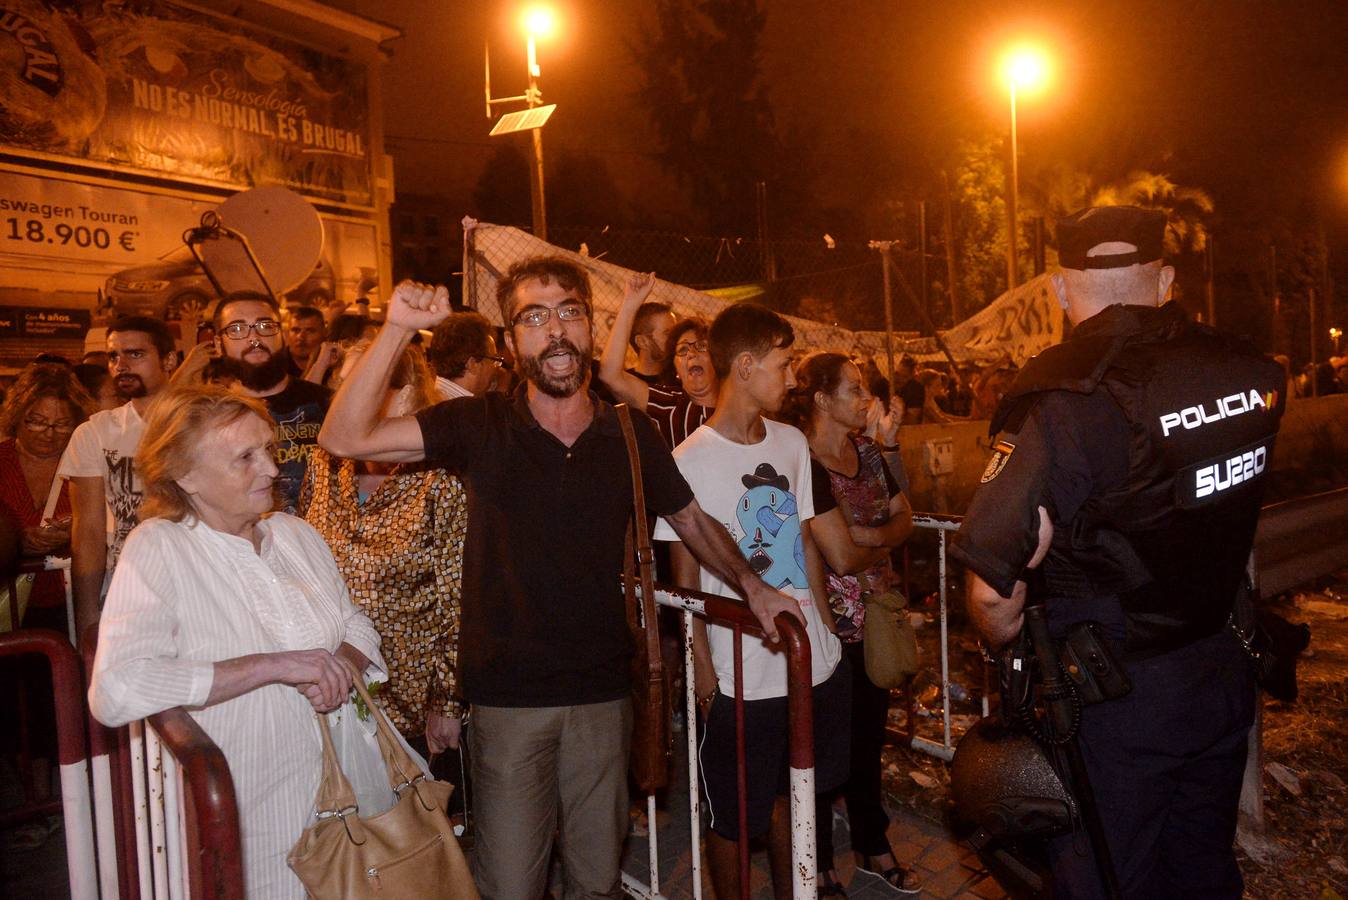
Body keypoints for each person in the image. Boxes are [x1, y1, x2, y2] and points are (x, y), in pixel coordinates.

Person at [319, 257, 802, 900]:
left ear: (591, 327)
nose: (554, 330)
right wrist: (398, 329)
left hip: (604, 696)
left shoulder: (628, 433)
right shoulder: (479, 424)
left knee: (597, 880)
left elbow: (690, 518)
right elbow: (346, 434)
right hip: (507, 700)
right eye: (533, 317)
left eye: (569, 311)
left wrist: (754, 587)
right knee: (511, 883)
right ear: (510, 338)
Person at [949, 206, 1286, 898]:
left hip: (1117, 700)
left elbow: (990, 588)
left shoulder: (1065, 399)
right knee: (1202, 870)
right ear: (1163, 280)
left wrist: (1000, 631)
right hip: (1224, 669)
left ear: (1058, 289)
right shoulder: (1251, 371)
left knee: (1108, 881)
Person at [88, 386, 384, 900]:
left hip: (344, 801)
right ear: (185, 476)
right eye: (244, 458)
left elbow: (357, 623)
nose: (271, 469)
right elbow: (116, 689)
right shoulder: (161, 547)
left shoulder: (295, 535)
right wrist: (273, 665)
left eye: (267, 449)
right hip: (248, 819)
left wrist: (339, 663)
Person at [651, 304, 846, 900]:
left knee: (799, 794)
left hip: (807, 658)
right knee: (735, 813)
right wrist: (703, 671)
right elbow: (684, 584)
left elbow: (806, 539)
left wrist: (826, 629)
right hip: (739, 673)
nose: (793, 379)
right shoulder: (688, 461)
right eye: (784, 365)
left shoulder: (790, 441)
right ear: (745, 365)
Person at [781, 352, 921, 895]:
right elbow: (834, 556)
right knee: (819, 746)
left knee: (867, 741)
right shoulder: (798, 457)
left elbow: (906, 515)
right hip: (824, 624)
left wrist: (871, 537)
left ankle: (871, 840)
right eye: (854, 387)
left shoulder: (866, 450)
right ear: (821, 398)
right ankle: (813, 858)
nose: (865, 396)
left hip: (875, 625)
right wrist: (869, 540)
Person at [301, 345, 468, 766]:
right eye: (347, 387)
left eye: (371, 386)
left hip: (406, 701)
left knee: (405, 825)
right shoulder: (324, 463)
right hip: (329, 686)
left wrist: (446, 703)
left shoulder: (440, 476)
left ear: (407, 394)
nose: (352, 401)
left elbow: (460, 599)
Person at [59, 315, 177, 638]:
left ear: (169, 360)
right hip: (126, 594)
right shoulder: (94, 433)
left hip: (195, 586)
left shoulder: (198, 423)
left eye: (135, 354)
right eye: (114, 356)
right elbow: (88, 531)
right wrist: (87, 616)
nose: (121, 365)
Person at [213, 291, 332, 515]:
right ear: (218, 344)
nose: (254, 338)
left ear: (283, 335)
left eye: (265, 326)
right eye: (237, 329)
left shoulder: (327, 402)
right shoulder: (209, 416)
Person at [0, 364, 96, 627]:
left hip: (68, 606)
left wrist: (76, 531)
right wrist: (12, 541)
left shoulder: (87, 465)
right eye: (37, 422)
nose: (49, 433)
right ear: (17, 416)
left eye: (62, 425)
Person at [600, 272, 716, 448]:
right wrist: (630, 303)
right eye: (682, 349)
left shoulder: (740, 406)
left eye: (701, 346)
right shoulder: (669, 406)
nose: (691, 353)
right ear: (676, 369)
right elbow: (610, 374)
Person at [426, 311, 503, 400]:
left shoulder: (429, 397)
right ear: (473, 364)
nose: (496, 368)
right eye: (493, 360)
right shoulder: (463, 410)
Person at [627, 297, 677, 386]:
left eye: (676, 332)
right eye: (667, 333)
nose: (676, 338)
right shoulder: (624, 385)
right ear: (642, 341)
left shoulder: (684, 382)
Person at [284, 305, 327, 377]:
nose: (301, 337)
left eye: (310, 331)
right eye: (295, 330)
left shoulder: (333, 365)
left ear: (324, 333)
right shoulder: (275, 365)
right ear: (287, 333)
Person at [893, 355, 924, 425]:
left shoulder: (914, 388)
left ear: (912, 375)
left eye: (904, 377)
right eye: (897, 374)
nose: (899, 378)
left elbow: (912, 420)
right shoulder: (899, 389)